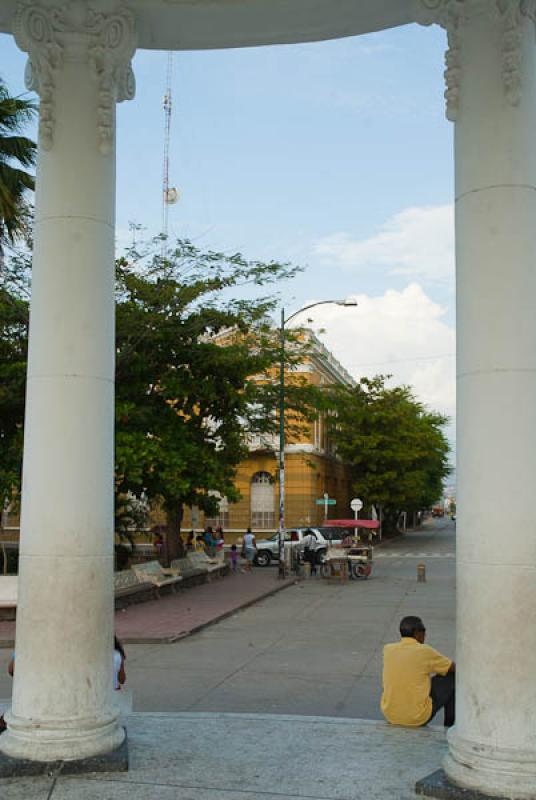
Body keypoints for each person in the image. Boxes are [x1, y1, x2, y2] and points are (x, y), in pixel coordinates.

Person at [381, 616, 455, 728]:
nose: (425, 635)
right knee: (451, 678)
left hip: (390, 714)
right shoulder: (424, 651)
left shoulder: (388, 649)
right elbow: (452, 667)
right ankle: (450, 726)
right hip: (416, 717)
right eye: (424, 631)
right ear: (416, 633)